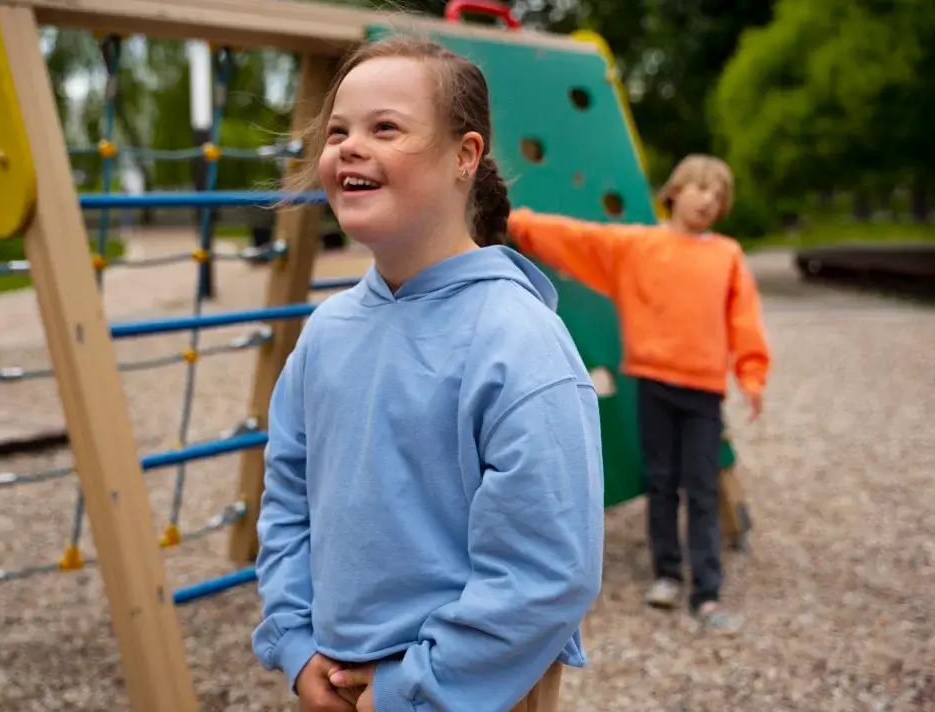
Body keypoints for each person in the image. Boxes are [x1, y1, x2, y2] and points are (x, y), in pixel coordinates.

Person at [251, 36, 605, 712]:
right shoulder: (325, 333)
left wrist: (415, 686)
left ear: (464, 156)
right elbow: (288, 498)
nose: (350, 147)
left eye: (385, 128)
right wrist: (294, 643)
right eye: (338, 132)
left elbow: (549, 569)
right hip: (337, 678)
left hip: (478, 690)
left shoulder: (519, 341)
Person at [506, 154, 771, 632]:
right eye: (700, 188)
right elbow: (579, 238)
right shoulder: (639, 246)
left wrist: (751, 375)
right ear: (675, 192)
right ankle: (667, 574)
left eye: (718, 195)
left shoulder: (726, 255)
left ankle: (707, 593)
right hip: (653, 383)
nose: (708, 200)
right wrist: (517, 222)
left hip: (703, 392)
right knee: (662, 482)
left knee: (703, 488)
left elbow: (744, 318)